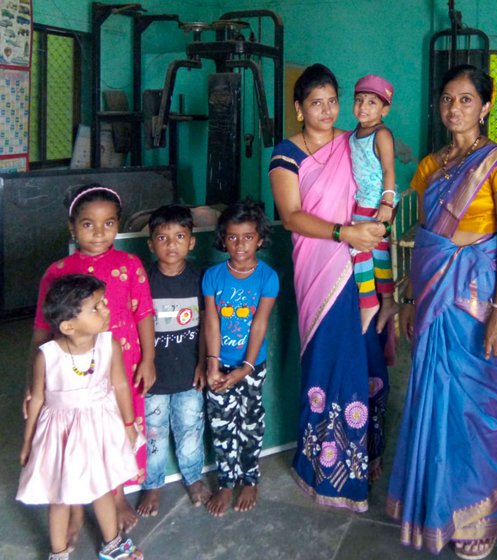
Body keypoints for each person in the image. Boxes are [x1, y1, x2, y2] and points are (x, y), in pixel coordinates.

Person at [387, 64, 497, 559]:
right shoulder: (429, 167)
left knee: (477, 407)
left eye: (466, 99)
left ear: (485, 106)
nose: (455, 108)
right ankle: (436, 512)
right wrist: (407, 297)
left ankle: (476, 519)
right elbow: (426, 241)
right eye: (448, 99)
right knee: (433, 400)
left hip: (476, 296)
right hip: (430, 297)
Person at [269, 63, 391, 512]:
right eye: (315, 103)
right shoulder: (287, 154)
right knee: (330, 356)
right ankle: (327, 467)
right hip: (321, 264)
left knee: (366, 350)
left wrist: (383, 207)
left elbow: (384, 167)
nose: (326, 110)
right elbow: (291, 216)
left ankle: (367, 451)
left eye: (332, 101)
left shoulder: (353, 140)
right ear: (299, 109)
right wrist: (345, 233)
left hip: (362, 261)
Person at [27, 184, 155, 538]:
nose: (99, 233)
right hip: (74, 374)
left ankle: (115, 497)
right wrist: (32, 384)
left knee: (116, 431)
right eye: (88, 224)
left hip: (123, 364)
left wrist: (149, 358)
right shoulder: (57, 271)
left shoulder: (130, 264)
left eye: (109, 223)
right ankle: (76, 504)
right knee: (76, 437)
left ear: (118, 224)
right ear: (72, 227)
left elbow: (144, 313)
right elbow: (41, 329)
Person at [17, 274, 143, 560]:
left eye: (103, 303)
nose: (106, 310)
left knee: (102, 487)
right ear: (68, 326)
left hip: (99, 426)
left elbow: (120, 385)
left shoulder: (108, 346)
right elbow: (37, 399)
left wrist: (128, 424)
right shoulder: (46, 356)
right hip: (60, 433)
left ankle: (112, 545)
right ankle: (58, 552)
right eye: (96, 308)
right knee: (60, 495)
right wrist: (28, 442)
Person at [202, 199, 279, 517]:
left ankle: (249, 478)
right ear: (223, 239)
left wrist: (246, 367)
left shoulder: (267, 277)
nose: (240, 244)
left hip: (251, 365)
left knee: (249, 423)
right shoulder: (213, 276)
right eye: (232, 237)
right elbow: (211, 321)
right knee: (221, 424)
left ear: (260, 238)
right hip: (219, 364)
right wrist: (212, 363)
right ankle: (225, 481)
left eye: (248, 236)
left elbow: (260, 323)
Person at [137, 204, 210, 518]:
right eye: (162, 238)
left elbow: (208, 322)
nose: (171, 244)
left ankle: (193, 477)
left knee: (190, 429)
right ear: (151, 244)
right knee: (152, 433)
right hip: (154, 376)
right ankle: (152, 483)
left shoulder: (199, 277)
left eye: (180, 236)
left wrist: (203, 362)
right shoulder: (143, 280)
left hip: (188, 375)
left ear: (191, 242)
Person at [350, 73, 400, 334]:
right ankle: (388, 301)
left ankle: (368, 303)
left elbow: (389, 170)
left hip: (376, 203)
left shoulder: (381, 134)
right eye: (359, 100)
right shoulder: (354, 134)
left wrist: (387, 202)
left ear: (385, 109)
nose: (363, 107)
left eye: (372, 102)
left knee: (359, 253)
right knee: (379, 254)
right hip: (362, 201)